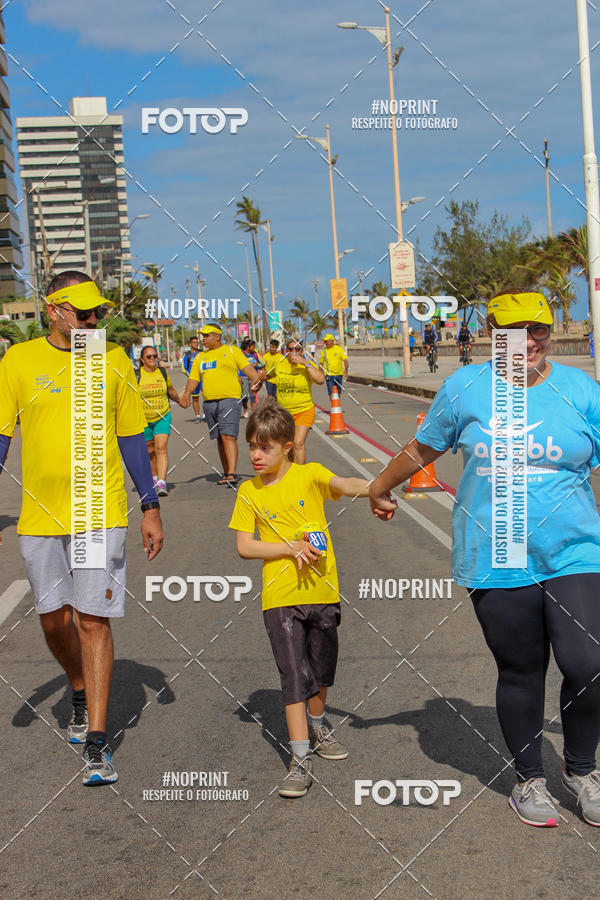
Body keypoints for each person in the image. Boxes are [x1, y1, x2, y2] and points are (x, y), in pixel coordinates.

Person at [369, 290, 600, 829]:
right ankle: (530, 781)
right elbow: (424, 447)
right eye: (515, 331)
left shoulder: (580, 389)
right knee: (521, 668)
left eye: (538, 329)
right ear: (493, 334)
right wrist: (381, 484)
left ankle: (581, 769)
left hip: (575, 549)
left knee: (588, 664)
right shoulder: (465, 388)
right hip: (499, 549)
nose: (529, 341)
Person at [0, 270, 163, 786]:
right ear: (54, 310)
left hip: (99, 510)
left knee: (93, 618)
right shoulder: (19, 361)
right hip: (40, 514)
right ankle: (77, 685)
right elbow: (1, 436)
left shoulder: (111, 360)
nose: (95, 321)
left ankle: (97, 739)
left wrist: (151, 505)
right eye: (85, 313)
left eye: (99, 313)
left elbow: (132, 438)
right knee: (54, 620)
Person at [229, 399, 371, 797]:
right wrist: (289, 547)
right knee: (294, 674)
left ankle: (319, 725)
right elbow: (245, 546)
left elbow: (344, 485)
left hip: (323, 590)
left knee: (322, 671)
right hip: (280, 596)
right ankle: (300, 757)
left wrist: (379, 487)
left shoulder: (310, 476)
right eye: (252, 446)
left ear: (288, 445)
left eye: (265, 447)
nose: (256, 455)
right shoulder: (248, 491)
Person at [181, 323, 261, 485]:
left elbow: (247, 368)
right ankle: (226, 472)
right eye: (203, 336)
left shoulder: (232, 351)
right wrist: (187, 394)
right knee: (219, 438)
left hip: (230, 400)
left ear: (217, 336)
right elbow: (193, 378)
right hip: (209, 403)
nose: (203, 339)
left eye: (206, 335)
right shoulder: (200, 357)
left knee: (228, 435)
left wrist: (256, 380)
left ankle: (232, 472)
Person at [137, 345, 185, 496]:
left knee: (161, 448)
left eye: (155, 356)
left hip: (163, 416)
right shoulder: (136, 375)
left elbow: (170, 391)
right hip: (143, 418)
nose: (152, 359)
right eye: (149, 357)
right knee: (150, 451)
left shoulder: (162, 373)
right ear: (142, 360)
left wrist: (180, 401)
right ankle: (155, 478)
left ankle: (162, 482)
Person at [274, 339, 325, 464]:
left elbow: (320, 380)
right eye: (290, 349)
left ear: (302, 351)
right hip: (284, 413)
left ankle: (300, 475)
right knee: (288, 447)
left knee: (298, 444)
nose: (294, 352)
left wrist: (305, 363)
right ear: (286, 351)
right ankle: (291, 471)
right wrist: (256, 382)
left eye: (297, 349)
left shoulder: (306, 366)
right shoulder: (279, 364)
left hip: (304, 410)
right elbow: (266, 375)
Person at [181, 336, 203, 420]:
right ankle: (197, 415)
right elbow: (183, 369)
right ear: (190, 344)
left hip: (203, 379)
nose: (196, 344)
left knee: (207, 397)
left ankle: (205, 415)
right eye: (194, 342)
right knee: (195, 398)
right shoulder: (187, 355)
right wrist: (191, 376)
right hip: (194, 380)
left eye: (197, 342)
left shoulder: (202, 353)